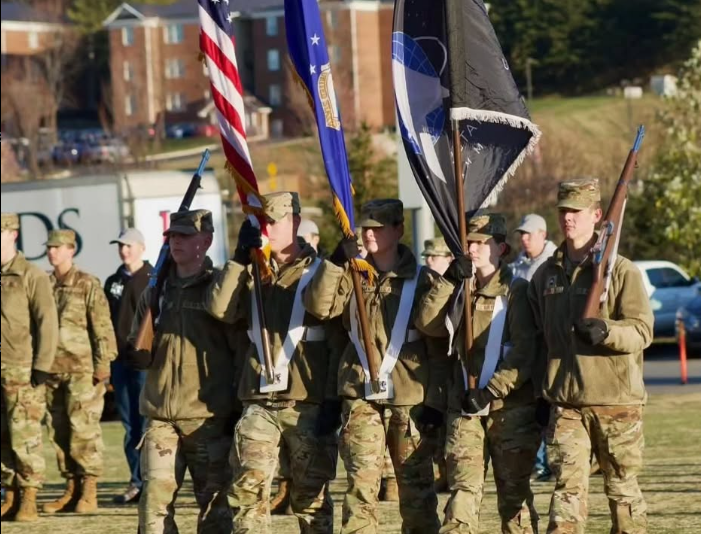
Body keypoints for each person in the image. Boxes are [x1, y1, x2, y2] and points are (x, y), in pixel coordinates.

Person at [303, 199, 442, 534]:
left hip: (410, 398)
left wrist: (436, 401)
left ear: (398, 229)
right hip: (359, 393)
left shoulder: (423, 280)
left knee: (417, 494)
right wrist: (336, 262)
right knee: (360, 488)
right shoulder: (351, 275)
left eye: (378, 227)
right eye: (365, 227)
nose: (369, 233)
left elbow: (438, 347)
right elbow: (319, 307)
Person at [528, 178, 653, 533]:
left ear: (597, 215)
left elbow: (642, 331)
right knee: (566, 494)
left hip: (617, 403)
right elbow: (541, 338)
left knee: (623, 493)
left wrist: (607, 331)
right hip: (567, 403)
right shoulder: (545, 275)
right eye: (563, 211)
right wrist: (542, 393)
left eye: (577, 212)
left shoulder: (622, 271)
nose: (568, 218)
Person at [206, 192, 336, 534]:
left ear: (294, 222)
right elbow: (220, 309)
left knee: (311, 497)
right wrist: (237, 259)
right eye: (261, 223)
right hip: (259, 399)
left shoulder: (321, 270)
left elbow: (331, 321)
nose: (267, 230)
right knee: (248, 492)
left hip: (305, 399)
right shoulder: (251, 270)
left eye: (274, 222)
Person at [416, 214, 541, 534]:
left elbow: (524, 353)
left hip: (508, 409)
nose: (472, 247)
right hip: (465, 408)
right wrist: (448, 281)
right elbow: (428, 324)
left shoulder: (517, 291)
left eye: (481, 242)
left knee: (514, 499)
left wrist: (490, 391)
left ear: (500, 248)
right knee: (462, 493)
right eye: (468, 241)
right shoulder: (459, 287)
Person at [126, 210, 236, 534]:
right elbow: (137, 351)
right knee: (153, 511)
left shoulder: (218, 291)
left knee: (215, 513)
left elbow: (238, 351)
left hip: (207, 418)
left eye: (185, 235)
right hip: (161, 417)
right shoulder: (156, 291)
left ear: (206, 240)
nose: (176, 241)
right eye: (172, 235)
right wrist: (146, 333)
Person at [42, 229, 118, 515]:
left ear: (71, 250)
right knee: (59, 432)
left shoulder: (87, 283)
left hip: (82, 370)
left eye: (58, 248)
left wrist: (103, 364)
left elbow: (102, 327)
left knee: (83, 431)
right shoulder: (45, 284)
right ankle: (71, 488)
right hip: (51, 371)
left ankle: (89, 489)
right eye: (50, 248)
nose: (53, 252)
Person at [1, 213, 58, 522]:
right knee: (2, 439)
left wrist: (42, 366)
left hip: (22, 370)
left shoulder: (31, 275)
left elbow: (47, 322)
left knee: (25, 439)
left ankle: (29, 498)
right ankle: (9, 494)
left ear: (12, 233)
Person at [104, 228, 152, 504]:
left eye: (129, 245)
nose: (124, 250)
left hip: (145, 363)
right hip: (120, 362)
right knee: (129, 425)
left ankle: (151, 481)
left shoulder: (154, 278)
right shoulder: (113, 281)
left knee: (147, 424)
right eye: (120, 245)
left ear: (142, 248)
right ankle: (136, 481)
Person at [509, 214, 557, 482]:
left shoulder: (552, 265)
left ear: (543, 234)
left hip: (547, 346)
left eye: (529, 234)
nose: (524, 238)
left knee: (548, 406)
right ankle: (537, 462)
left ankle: (550, 462)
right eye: (522, 234)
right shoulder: (518, 265)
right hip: (525, 346)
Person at [420, 237, 454, 494]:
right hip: (425, 369)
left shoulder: (455, 287)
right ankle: (441, 471)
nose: (429, 261)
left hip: (449, 370)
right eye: (427, 257)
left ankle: (447, 472)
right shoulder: (424, 286)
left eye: (435, 256)